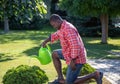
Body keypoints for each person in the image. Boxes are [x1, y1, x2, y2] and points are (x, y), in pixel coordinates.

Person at [41, 14, 103, 84]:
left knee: (69, 82)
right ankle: (60, 78)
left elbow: (75, 46)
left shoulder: (68, 29)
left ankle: (95, 75)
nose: (54, 27)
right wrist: (46, 41)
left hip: (77, 58)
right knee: (55, 54)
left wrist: (73, 60)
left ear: (58, 21)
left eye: (54, 25)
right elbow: (56, 34)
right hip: (68, 53)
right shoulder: (61, 27)